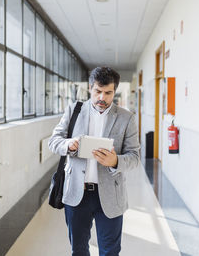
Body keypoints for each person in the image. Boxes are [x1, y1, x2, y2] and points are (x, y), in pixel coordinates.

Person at [48, 66, 140, 256]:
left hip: (110, 196)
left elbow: (135, 158)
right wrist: (69, 144)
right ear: (90, 88)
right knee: (79, 250)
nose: (102, 98)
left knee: (110, 252)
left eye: (108, 93)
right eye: (98, 91)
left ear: (114, 91)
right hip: (76, 194)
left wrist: (115, 161)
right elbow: (53, 142)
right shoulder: (74, 110)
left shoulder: (126, 118)